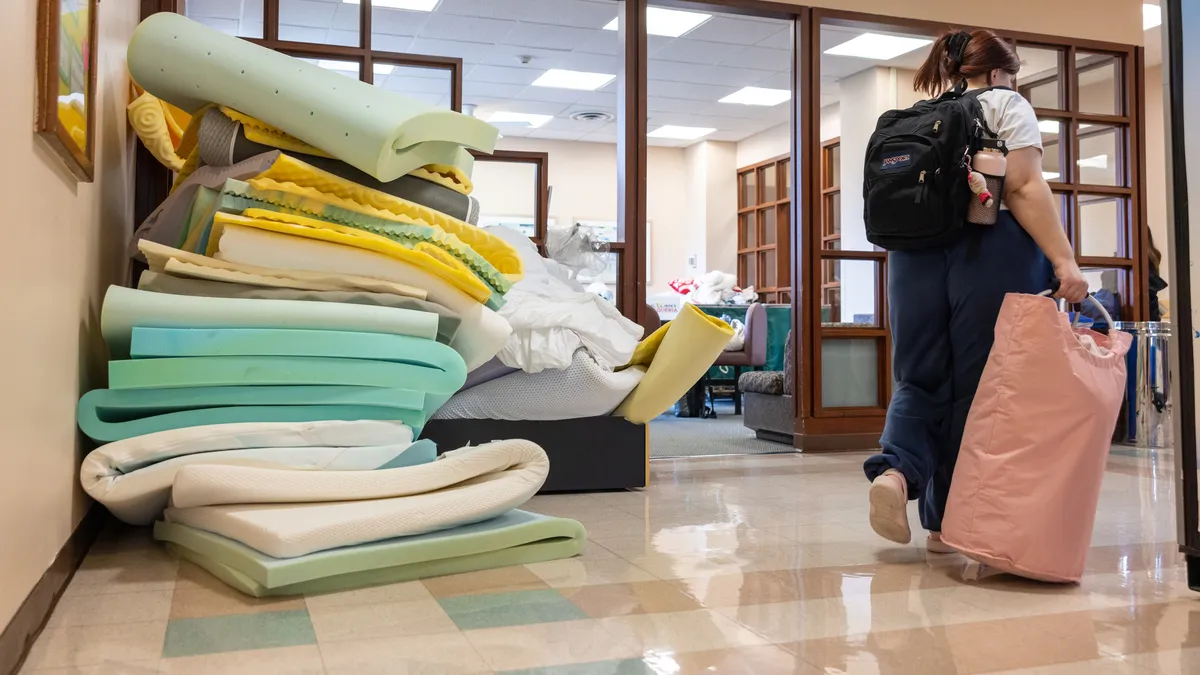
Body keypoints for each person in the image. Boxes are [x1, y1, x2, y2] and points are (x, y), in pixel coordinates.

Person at [864, 29, 1089, 551]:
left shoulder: (916, 117)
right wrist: (1065, 260)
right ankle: (949, 522)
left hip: (911, 257)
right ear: (996, 73)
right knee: (979, 385)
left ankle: (896, 473)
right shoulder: (1007, 104)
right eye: (1012, 75)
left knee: (917, 378)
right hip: (990, 252)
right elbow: (1025, 187)